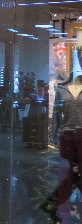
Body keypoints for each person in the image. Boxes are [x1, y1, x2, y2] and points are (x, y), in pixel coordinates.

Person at [40, 73, 82, 223]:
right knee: (66, 176)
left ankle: (70, 210)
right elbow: (57, 113)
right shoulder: (61, 90)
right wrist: (53, 135)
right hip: (66, 135)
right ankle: (62, 212)